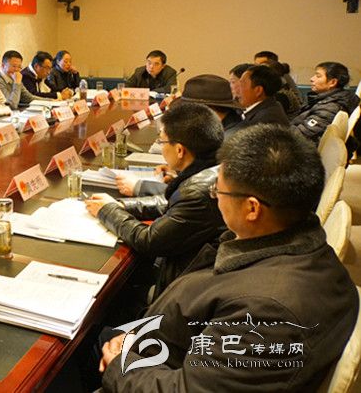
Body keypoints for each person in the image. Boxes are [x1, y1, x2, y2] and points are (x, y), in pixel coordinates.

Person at [98, 125, 358, 392]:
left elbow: (188, 389)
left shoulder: (267, 316)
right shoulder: (301, 243)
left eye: (217, 191)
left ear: (252, 208)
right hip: (164, 344)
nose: (214, 197)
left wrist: (121, 364)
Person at [86, 102, 226, 300]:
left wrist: (107, 211)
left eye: (162, 142)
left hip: (183, 289)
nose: (161, 148)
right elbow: (172, 204)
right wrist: (123, 205)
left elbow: (149, 240)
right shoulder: (212, 169)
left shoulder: (197, 192)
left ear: (180, 150)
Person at [114, 75, 241, 198]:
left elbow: (200, 193)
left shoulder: (228, 144)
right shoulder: (227, 128)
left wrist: (140, 187)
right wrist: (180, 174)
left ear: (203, 111)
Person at [292, 61, 359, 144]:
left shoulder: (330, 107)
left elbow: (301, 135)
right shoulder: (330, 99)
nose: (312, 79)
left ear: (333, 82)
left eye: (318, 76)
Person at [225, 64, 290, 137]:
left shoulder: (265, 120)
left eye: (242, 84)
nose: (237, 90)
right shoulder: (268, 107)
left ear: (258, 91)